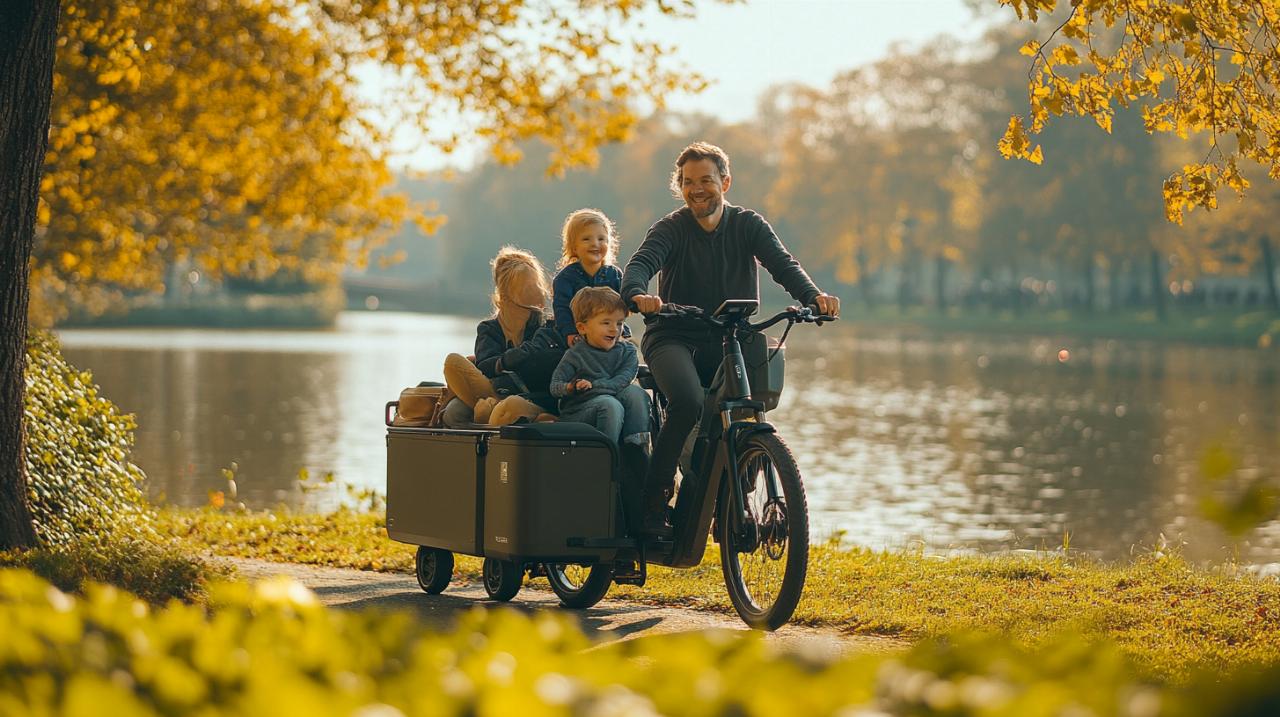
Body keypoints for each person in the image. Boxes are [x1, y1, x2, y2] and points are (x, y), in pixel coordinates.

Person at [621, 141, 841, 537]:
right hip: (674, 336)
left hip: (733, 336)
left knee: (752, 406)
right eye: (688, 182)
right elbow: (642, 263)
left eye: (706, 180)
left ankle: (732, 497)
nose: (697, 189)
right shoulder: (671, 228)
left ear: (726, 181)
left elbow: (783, 264)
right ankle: (653, 503)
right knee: (688, 402)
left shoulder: (748, 225)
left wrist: (813, 297)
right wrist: (639, 293)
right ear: (680, 186)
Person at [441, 246, 566, 427]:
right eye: (526, 289)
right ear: (506, 295)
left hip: (529, 398)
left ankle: (494, 413)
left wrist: (527, 357)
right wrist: (508, 360)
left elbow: (546, 372)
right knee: (453, 380)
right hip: (493, 391)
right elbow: (485, 366)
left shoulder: (545, 328)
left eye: (536, 286)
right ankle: (494, 410)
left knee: (506, 408)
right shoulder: (489, 329)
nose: (537, 293)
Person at [549, 287, 649, 446]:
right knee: (610, 405)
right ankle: (606, 456)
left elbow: (623, 380)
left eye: (619, 323)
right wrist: (571, 387)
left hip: (612, 398)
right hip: (580, 411)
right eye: (606, 322)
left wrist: (594, 386)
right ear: (583, 328)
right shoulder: (575, 355)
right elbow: (555, 386)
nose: (614, 329)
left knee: (636, 393)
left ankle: (637, 447)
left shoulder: (627, 352)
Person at [551, 208, 630, 344]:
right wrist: (570, 332)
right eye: (586, 239)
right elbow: (562, 309)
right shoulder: (565, 278)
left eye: (601, 239)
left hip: (611, 333)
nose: (595, 243)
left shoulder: (614, 275)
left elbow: (625, 302)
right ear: (574, 246)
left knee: (628, 351)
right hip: (579, 335)